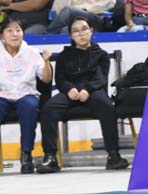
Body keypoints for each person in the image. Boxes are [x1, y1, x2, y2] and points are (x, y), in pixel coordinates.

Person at [36, 15, 128, 174]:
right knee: (48, 108)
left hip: (93, 91)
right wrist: (69, 89)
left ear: (91, 31)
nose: (81, 34)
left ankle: (113, 155)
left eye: (84, 29)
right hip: (70, 92)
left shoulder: (101, 54)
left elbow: (101, 78)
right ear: (71, 35)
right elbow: (60, 78)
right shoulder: (64, 55)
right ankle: (50, 157)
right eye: (76, 31)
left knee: (107, 106)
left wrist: (87, 89)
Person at [0, 17, 52, 173]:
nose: (15, 34)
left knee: (30, 106)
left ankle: (26, 154)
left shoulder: (32, 53)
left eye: (18, 30)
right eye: (10, 30)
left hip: (25, 94)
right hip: (2, 94)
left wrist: (47, 62)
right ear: (2, 35)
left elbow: (46, 79)